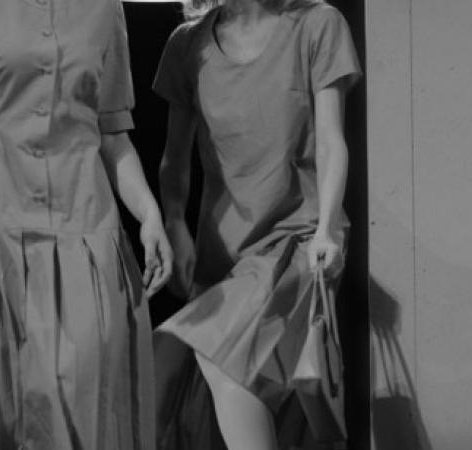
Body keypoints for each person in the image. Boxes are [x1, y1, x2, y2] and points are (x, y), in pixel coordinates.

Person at [0, 0, 172, 448]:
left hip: (84, 231)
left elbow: (112, 133)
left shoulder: (104, 8)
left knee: (82, 405)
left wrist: (149, 214)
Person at [153, 0, 361, 449]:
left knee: (224, 366)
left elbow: (331, 141)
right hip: (224, 254)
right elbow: (175, 157)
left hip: (298, 238)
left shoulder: (316, 25)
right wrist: (174, 223)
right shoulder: (188, 46)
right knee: (173, 372)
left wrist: (327, 229)